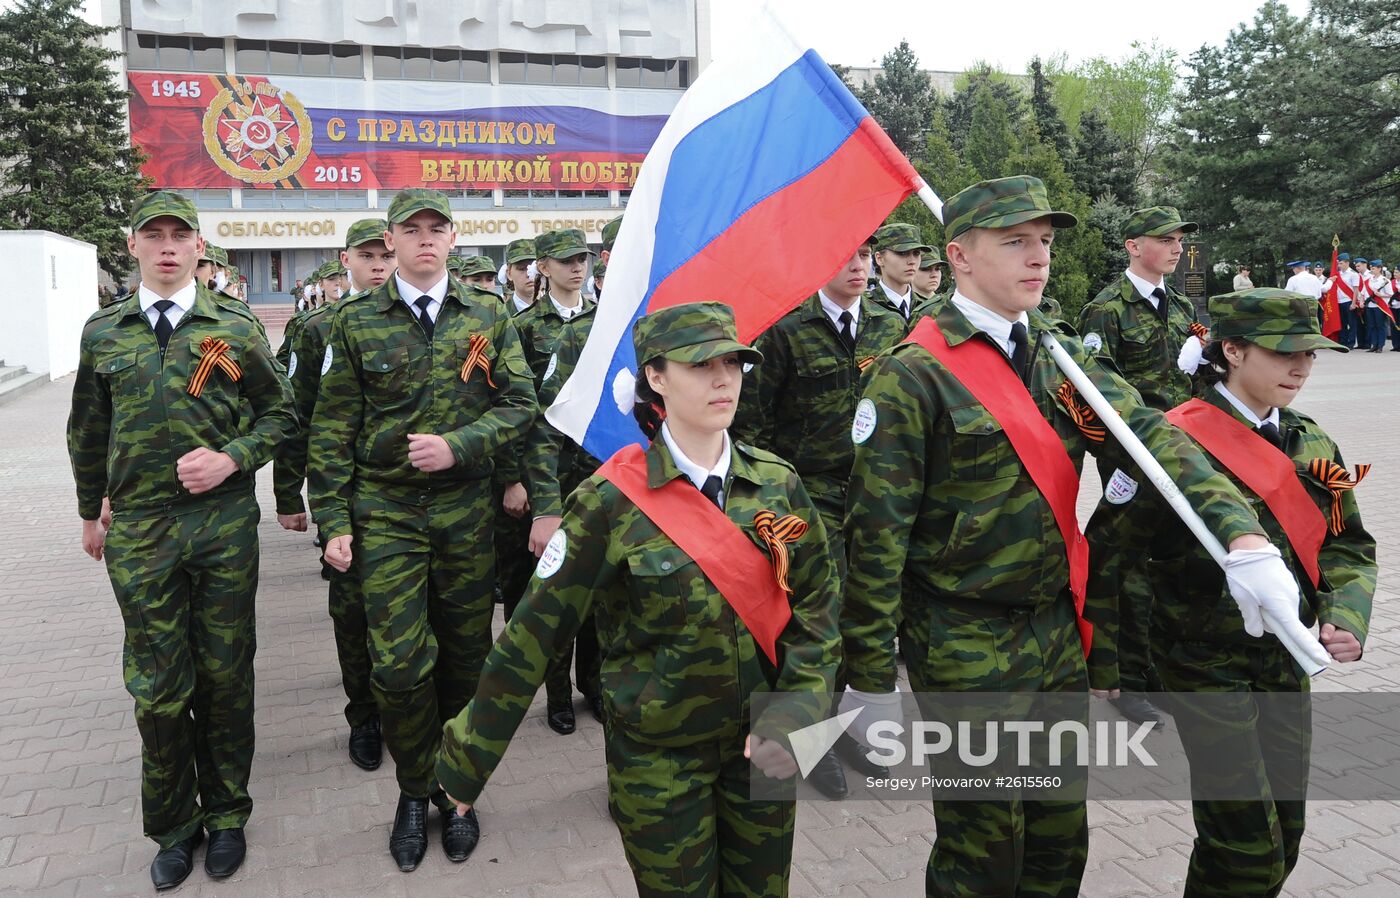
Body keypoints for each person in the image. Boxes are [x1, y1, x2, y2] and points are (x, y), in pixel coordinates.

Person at [842, 176, 1314, 898]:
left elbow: (1153, 439)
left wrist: (1242, 537)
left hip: (1056, 635)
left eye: (1046, 243)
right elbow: (875, 542)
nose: (1039, 259)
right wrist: (869, 680)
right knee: (984, 851)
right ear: (959, 256)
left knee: (1060, 847)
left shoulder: (1057, 354)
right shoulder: (914, 377)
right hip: (965, 642)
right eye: (1016, 243)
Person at [437, 301, 841, 898]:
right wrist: (466, 765)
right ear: (656, 377)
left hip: (764, 743)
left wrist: (801, 712)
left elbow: (818, 611)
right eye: (701, 364)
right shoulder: (609, 502)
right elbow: (533, 635)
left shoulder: (777, 483)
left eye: (733, 362)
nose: (723, 378)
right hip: (659, 760)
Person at [67, 191, 295, 890]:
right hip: (139, 532)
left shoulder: (235, 326)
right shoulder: (103, 331)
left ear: (199, 247)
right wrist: (88, 512)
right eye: (153, 235)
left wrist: (233, 458)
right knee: (159, 687)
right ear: (131, 245)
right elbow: (87, 430)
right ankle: (173, 825)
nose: (167, 246)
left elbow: (282, 416)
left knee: (225, 676)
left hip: (222, 529)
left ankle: (226, 815)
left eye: (180, 235)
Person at [307, 188, 537, 871]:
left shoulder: (488, 315)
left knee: (467, 658)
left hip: (466, 509)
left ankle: (455, 793)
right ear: (392, 239)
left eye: (439, 229)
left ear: (453, 238)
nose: (426, 240)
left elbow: (522, 402)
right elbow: (331, 428)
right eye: (413, 230)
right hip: (388, 511)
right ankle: (413, 790)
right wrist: (333, 520)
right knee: (401, 665)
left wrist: (462, 444)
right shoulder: (353, 322)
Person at [1127, 288, 1374, 896]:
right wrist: (1124, 668)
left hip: (1285, 661)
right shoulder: (1171, 444)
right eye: (1284, 352)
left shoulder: (1310, 440)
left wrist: (1345, 613)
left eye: (1311, 354)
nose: (1301, 367)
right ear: (1232, 351)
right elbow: (1120, 557)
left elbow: (1348, 544)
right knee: (1242, 839)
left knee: (1286, 829)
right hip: (1203, 663)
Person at [732, 233, 907, 796]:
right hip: (807, 496)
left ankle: (853, 727)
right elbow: (752, 425)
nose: (855, 265)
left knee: (872, 608)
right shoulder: (784, 328)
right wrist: (766, 504)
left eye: (862, 255)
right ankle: (815, 740)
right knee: (820, 617)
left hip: (876, 490)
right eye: (842, 254)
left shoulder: (888, 324)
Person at [273, 219, 394, 773]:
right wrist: (287, 493)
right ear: (345, 259)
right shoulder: (317, 329)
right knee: (351, 611)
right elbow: (295, 416)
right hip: (340, 494)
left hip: (401, 495)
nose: (378, 265)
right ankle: (364, 716)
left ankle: (406, 712)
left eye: (383, 255)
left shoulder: (424, 322)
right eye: (366, 255)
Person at [1076, 205, 1202, 728]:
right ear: (1133, 246)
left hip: (1181, 451)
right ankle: (1125, 678)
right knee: (1127, 569)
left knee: (1172, 561)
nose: (1176, 247)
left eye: (1179, 239)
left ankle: (1156, 671)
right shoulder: (1105, 310)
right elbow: (1097, 395)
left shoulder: (1180, 303)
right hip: (1132, 459)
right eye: (1164, 238)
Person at [511, 228, 596, 734]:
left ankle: (595, 685)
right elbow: (518, 408)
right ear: (541, 267)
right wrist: (517, 481)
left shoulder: (606, 321)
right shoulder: (523, 327)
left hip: (598, 470)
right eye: (564, 261)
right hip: (547, 473)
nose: (576, 268)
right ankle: (558, 695)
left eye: (581, 259)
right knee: (556, 590)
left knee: (601, 592)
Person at [869, 221, 932, 323]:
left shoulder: (929, 309)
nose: (912, 261)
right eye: (902, 253)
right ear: (879, 258)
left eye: (916, 253)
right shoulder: (863, 308)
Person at [1322, 253, 1359, 348]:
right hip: (1339, 302)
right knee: (1342, 323)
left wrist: (1354, 303)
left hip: (1349, 301)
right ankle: (1343, 341)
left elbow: (1356, 290)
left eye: (1341, 263)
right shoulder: (1337, 275)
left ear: (1347, 263)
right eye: (1338, 264)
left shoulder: (1353, 274)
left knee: (1351, 324)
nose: (1339, 265)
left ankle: (1351, 343)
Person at [1358, 257, 1394, 352]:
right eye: (1371, 268)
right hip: (1370, 306)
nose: (1371, 270)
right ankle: (1374, 345)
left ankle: (1380, 345)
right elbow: (1362, 293)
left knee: (1380, 326)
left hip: (1380, 306)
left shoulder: (1385, 281)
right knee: (1371, 326)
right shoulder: (1369, 280)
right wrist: (1361, 301)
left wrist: (1380, 295)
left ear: (1379, 268)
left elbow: (1390, 294)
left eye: (1373, 268)